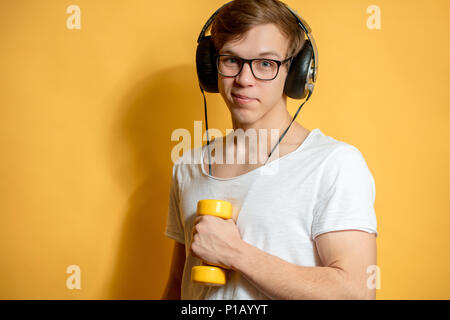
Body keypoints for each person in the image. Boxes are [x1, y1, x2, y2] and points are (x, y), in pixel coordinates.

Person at [162, 0, 378, 300]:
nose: (244, 80)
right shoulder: (188, 165)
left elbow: (355, 293)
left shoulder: (334, 164)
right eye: (231, 60)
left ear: (295, 72)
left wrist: (237, 254)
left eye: (266, 63)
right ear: (211, 68)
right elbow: (177, 283)